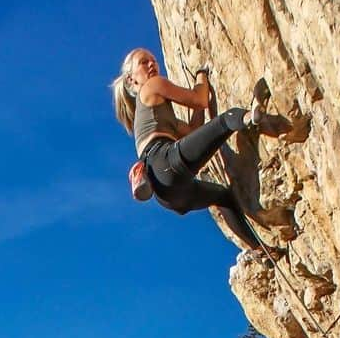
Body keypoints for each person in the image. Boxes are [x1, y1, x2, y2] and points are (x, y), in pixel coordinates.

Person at [111, 48, 292, 249]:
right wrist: (201, 74)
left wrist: (201, 102)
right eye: (144, 62)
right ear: (131, 80)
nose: (152, 64)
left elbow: (193, 131)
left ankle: (261, 252)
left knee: (224, 197)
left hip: (166, 193)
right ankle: (251, 117)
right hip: (164, 160)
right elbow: (199, 99)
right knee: (227, 119)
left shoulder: (151, 117)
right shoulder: (152, 86)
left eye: (154, 60)